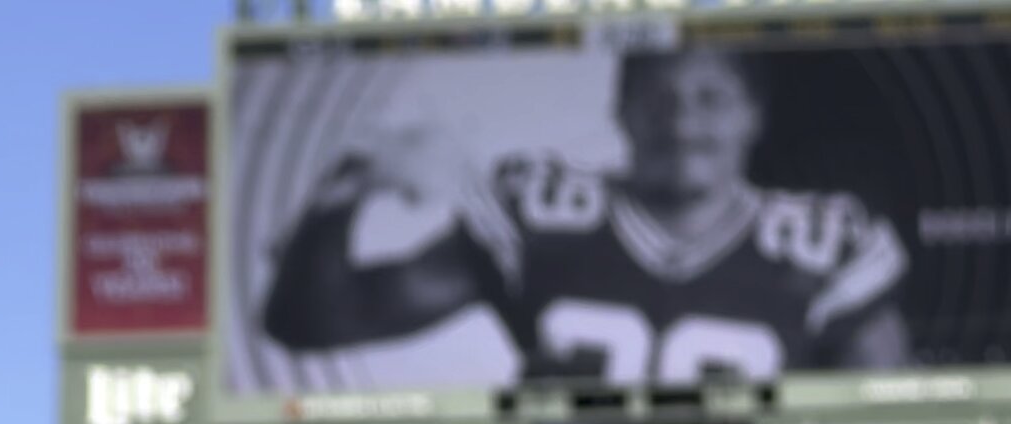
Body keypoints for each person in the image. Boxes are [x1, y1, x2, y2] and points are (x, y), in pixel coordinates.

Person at [263, 49, 911, 385]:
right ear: (620, 111)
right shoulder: (543, 216)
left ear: (754, 117)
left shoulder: (825, 244)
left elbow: (886, 421)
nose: (683, 123)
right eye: (657, 99)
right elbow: (315, 321)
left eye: (711, 98)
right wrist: (349, 186)